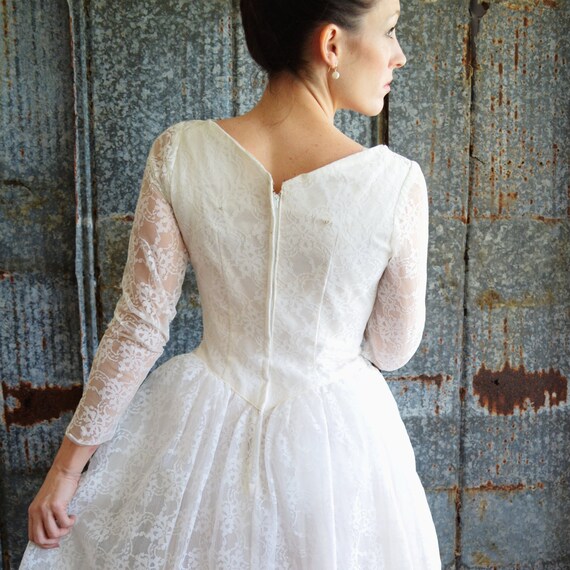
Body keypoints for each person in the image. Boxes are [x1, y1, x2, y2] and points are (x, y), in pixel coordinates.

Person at [21, 0, 441, 567]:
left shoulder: (179, 153)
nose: (399, 55)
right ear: (333, 45)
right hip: (336, 447)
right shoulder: (394, 185)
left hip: (200, 431)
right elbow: (392, 349)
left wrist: (67, 471)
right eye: (390, 32)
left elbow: (140, 326)